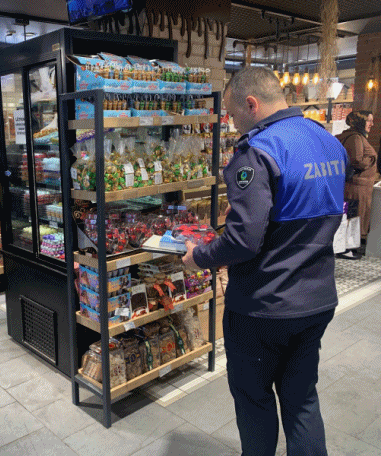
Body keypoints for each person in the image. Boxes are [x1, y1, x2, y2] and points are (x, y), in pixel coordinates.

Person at [182, 67, 348, 456]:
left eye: (232, 113)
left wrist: (198, 257)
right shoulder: (327, 141)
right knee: (302, 400)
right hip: (317, 299)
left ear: (251, 104)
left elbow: (243, 241)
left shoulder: (258, 151)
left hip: (263, 307)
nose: (231, 122)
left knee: (254, 400)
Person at [336, 111, 378, 257]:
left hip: (356, 186)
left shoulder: (354, 136)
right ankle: (346, 249)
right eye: (369, 121)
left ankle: (348, 249)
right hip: (356, 188)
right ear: (360, 122)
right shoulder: (355, 138)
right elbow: (356, 161)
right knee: (353, 217)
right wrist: (372, 159)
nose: (372, 124)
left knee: (352, 216)